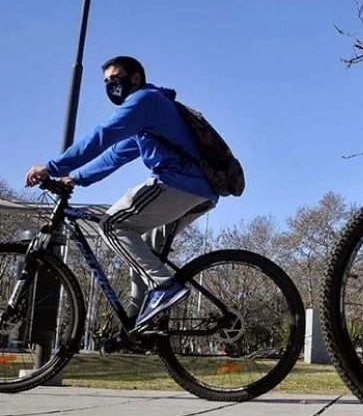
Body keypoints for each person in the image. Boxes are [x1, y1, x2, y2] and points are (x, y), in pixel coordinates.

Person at [25, 56, 219, 332]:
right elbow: (117, 154)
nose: (110, 86)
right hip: (199, 191)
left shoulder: (144, 101)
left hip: (180, 183)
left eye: (115, 78)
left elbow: (102, 136)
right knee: (143, 248)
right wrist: (76, 177)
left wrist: (52, 167)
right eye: (106, 82)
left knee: (112, 224)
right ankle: (138, 320)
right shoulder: (151, 113)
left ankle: (164, 287)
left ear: (135, 77)